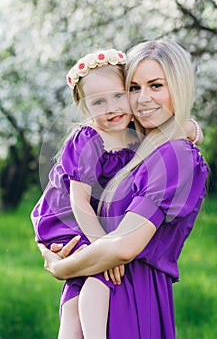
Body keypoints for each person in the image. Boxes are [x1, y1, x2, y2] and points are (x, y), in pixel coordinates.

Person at [38, 37, 209, 338]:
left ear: (178, 88)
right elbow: (59, 202)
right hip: (101, 278)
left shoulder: (174, 154)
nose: (142, 99)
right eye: (134, 88)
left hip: (131, 292)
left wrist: (61, 268)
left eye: (156, 85)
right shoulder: (122, 142)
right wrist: (46, 246)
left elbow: (124, 247)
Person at [31, 48, 140, 339]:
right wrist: (103, 247)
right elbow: (78, 200)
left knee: (75, 299)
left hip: (86, 221)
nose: (112, 107)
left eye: (118, 96)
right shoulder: (89, 139)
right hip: (65, 219)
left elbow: (172, 132)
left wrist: (192, 129)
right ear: (85, 108)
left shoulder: (135, 134)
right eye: (99, 102)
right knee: (100, 274)